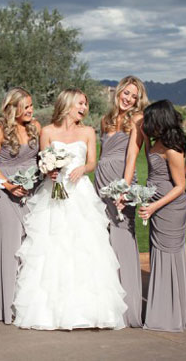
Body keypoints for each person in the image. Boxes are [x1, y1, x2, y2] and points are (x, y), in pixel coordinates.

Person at [13, 88, 127, 330]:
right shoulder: (47, 131)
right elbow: (43, 161)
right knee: (51, 248)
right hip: (53, 193)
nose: (84, 108)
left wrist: (82, 169)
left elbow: (93, 162)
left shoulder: (87, 132)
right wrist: (49, 170)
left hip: (80, 193)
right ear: (67, 104)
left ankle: (87, 312)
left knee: (84, 247)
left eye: (85, 104)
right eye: (80, 104)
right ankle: (48, 312)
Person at [123, 99, 186, 332]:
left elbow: (180, 186)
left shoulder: (173, 149)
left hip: (170, 207)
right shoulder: (156, 142)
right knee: (158, 256)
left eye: (150, 119)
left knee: (169, 255)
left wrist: (153, 207)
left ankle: (173, 314)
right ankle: (161, 310)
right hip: (155, 206)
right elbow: (141, 134)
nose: (147, 123)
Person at [94, 76, 147, 327]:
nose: (129, 99)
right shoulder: (105, 120)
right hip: (101, 184)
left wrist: (124, 188)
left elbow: (132, 158)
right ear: (119, 93)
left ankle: (129, 309)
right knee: (103, 244)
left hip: (121, 183)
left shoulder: (137, 120)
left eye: (134, 96)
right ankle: (108, 307)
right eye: (126, 93)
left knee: (123, 240)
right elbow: (101, 155)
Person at [0, 87, 40, 324]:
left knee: (31, 249)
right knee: (9, 249)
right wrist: (8, 186)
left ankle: (29, 304)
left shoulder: (35, 128)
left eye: (31, 106)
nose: (30, 110)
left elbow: (42, 156)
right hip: (6, 194)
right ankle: (8, 307)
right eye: (25, 106)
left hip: (33, 193)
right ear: (13, 107)